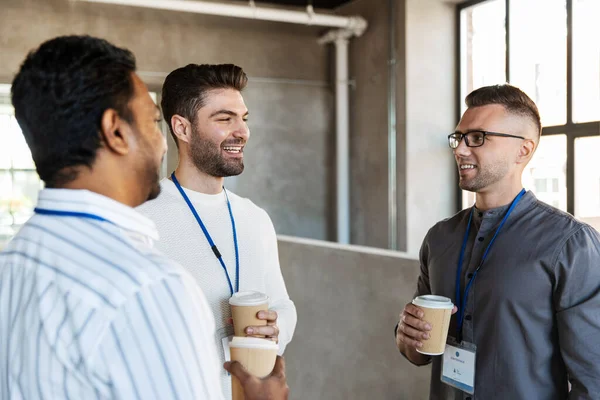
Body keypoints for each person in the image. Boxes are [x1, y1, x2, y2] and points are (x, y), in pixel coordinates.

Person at [0, 35, 288, 400]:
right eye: (153, 121)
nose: (161, 140)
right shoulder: (149, 286)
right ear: (116, 131)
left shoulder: (10, 264)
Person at [395, 84, 600, 399]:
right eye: (459, 137)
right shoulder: (440, 237)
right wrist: (407, 339)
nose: (460, 149)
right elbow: (420, 353)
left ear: (524, 149)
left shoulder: (570, 243)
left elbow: (593, 381)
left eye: (478, 138)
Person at [137, 63, 297, 398]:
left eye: (244, 118)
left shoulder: (255, 217)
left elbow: (283, 303)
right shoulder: (142, 220)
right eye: (225, 119)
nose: (243, 131)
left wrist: (274, 328)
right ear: (182, 127)